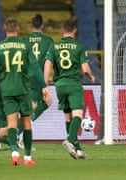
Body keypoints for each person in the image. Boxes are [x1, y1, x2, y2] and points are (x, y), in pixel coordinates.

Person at [0, 17, 49, 166]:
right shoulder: (24, 45)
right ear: (18, 29)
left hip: (7, 90)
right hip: (23, 88)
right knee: (27, 123)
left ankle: (14, 153)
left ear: (4, 30)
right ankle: (27, 158)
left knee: (11, 123)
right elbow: (35, 68)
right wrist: (44, 86)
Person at [44, 18, 95, 159]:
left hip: (60, 85)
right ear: (75, 31)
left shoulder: (54, 46)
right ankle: (70, 140)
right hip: (73, 84)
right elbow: (85, 69)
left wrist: (45, 84)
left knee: (68, 117)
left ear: (62, 31)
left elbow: (47, 64)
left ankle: (77, 150)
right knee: (78, 115)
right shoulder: (79, 46)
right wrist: (91, 76)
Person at [17, 14, 53, 147]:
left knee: (45, 103)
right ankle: (18, 135)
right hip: (38, 79)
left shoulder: (24, 41)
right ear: (42, 26)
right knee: (33, 108)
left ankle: (19, 134)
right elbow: (48, 63)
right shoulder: (48, 41)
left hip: (25, 77)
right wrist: (46, 82)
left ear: (31, 25)